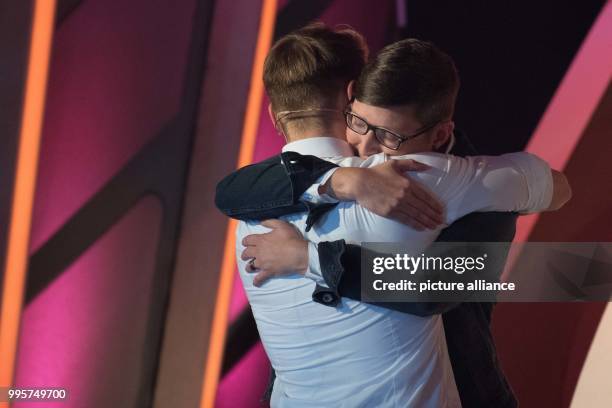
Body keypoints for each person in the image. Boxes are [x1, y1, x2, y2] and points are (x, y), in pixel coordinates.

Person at [218, 23, 571, 407]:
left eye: (388, 137)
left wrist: (309, 258)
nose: (368, 147)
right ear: (352, 97)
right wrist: (341, 180)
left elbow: (434, 290)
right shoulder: (280, 188)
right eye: (359, 123)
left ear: (438, 136)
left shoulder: (451, 183)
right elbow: (228, 191)